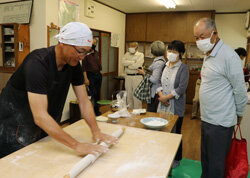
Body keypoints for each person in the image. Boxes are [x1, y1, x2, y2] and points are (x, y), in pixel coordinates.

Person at [0, 22, 117, 158]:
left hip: (43, 125)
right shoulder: (37, 63)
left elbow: (84, 101)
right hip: (14, 125)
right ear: (63, 43)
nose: (83, 57)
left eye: (87, 51)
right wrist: (76, 145)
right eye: (81, 51)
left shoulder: (74, 65)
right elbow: (40, 116)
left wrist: (96, 131)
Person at [194, 18, 248, 178]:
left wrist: (239, 114)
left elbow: (240, 90)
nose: (199, 41)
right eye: (196, 38)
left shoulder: (229, 56)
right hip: (207, 119)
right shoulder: (208, 54)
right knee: (206, 161)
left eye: (202, 36)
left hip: (221, 122)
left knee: (216, 166)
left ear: (214, 34)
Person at [156, 40, 189, 168]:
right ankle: (164, 154)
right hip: (162, 104)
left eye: (174, 52)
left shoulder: (183, 68)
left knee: (175, 132)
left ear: (180, 54)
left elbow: (181, 88)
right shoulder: (164, 65)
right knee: (163, 130)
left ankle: (176, 158)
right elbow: (158, 81)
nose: (171, 53)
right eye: (169, 51)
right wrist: (161, 96)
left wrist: (166, 97)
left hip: (176, 106)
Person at [138, 40, 166, 112]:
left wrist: (143, 73)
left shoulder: (158, 63)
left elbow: (154, 79)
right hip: (157, 91)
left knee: (151, 112)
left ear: (153, 51)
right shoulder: (160, 60)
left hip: (155, 92)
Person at [82, 38, 102, 116]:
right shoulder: (86, 54)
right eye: (92, 43)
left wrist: (100, 72)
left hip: (98, 75)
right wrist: (86, 79)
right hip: (90, 76)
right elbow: (83, 67)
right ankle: (90, 112)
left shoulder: (97, 53)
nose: (94, 45)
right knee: (92, 94)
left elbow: (99, 64)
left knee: (97, 94)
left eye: (95, 43)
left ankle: (97, 111)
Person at [122, 42, 144, 109]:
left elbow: (137, 65)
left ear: (136, 47)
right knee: (129, 95)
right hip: (128, 76)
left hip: (137, 76)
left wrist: (128, 65)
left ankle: (137, 112)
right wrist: (132, 62)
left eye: (132, 47)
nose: (130, 48)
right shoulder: (126, 54)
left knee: (137, 96)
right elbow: (123, 62)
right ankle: (130, 112)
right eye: (130, 46)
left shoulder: (140, 55)